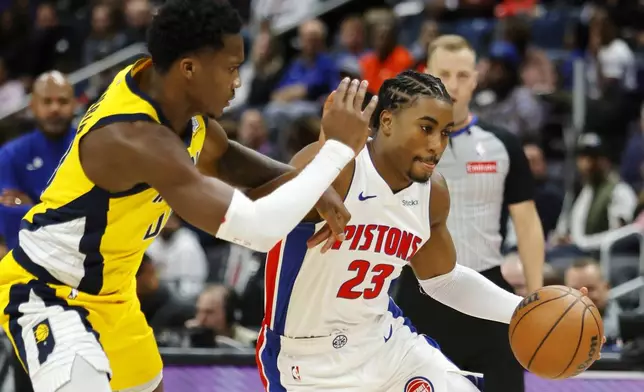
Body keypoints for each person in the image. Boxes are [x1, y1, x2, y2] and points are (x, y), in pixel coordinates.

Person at [0, 1, 378, 392]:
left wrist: (309, 185)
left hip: (112, 296)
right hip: (47, 292)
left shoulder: (180, 109)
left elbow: (228, 159)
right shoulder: (134, 137)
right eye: (231, 68)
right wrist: (335, 151)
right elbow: (258, 229)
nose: (238, 82)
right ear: (189, 69)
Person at [249, 70, 541, 392]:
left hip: (386, 345)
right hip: (307, 359)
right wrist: (319, 164)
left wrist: (523, 309)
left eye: (445, 133)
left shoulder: (433, 194)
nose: (437, 145)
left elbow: (444, 280)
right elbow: (255, 210)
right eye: (426, 129)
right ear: (387, 122)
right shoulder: (340, 166)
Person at [394, 35, 545, 392]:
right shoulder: (399, 147)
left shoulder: (503, 144)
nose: (454, 84)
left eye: (463, 74)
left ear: (476, 78)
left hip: (488, 297)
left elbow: (527, 223)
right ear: (426, 75)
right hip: (419, 298)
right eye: (444, 73)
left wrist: (536, 297)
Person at [0, 71, 76, 250]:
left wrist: (34, 206)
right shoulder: (11, 154)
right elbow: (6, 207)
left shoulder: (92, 146)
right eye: (47, 101)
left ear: (74, 104)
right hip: (31, 258)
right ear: (32, 105)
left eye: (63, 101)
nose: (55, 108)